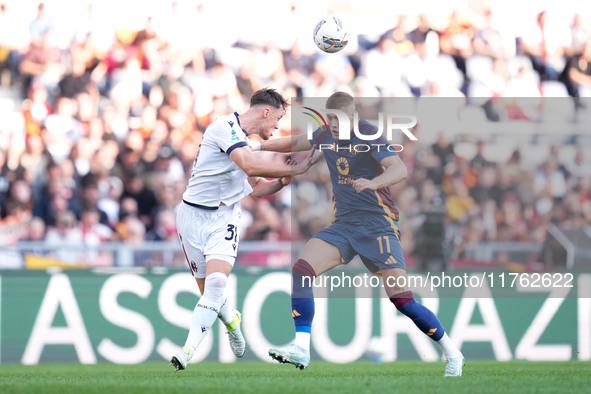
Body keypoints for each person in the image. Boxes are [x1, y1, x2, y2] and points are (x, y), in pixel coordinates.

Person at [253, 92, 464, 376]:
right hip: (344, 225)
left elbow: (398, 169)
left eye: (339, 119)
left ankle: (452, 353)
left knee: (403, 300)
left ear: (353, 116)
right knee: (302, 269)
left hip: (378, 225)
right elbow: (294, 142)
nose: (334, 125)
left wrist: (373, 182)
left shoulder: (369, 136)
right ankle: (301, 347)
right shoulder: (325, 134)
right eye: (330, 119)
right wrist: (253, 146)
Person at [170, 88, 317, 371]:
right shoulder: (225, 128)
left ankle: (187, 351)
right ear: (265, 112)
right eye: (277, 119)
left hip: (224, 218)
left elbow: (259, 188)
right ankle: (232, 320)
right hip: (191, 217)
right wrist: (295, 171)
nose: (276, 127)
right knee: (210, 295)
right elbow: (249, 167)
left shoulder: (242, 141)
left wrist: (283, 181)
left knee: (215, 286)